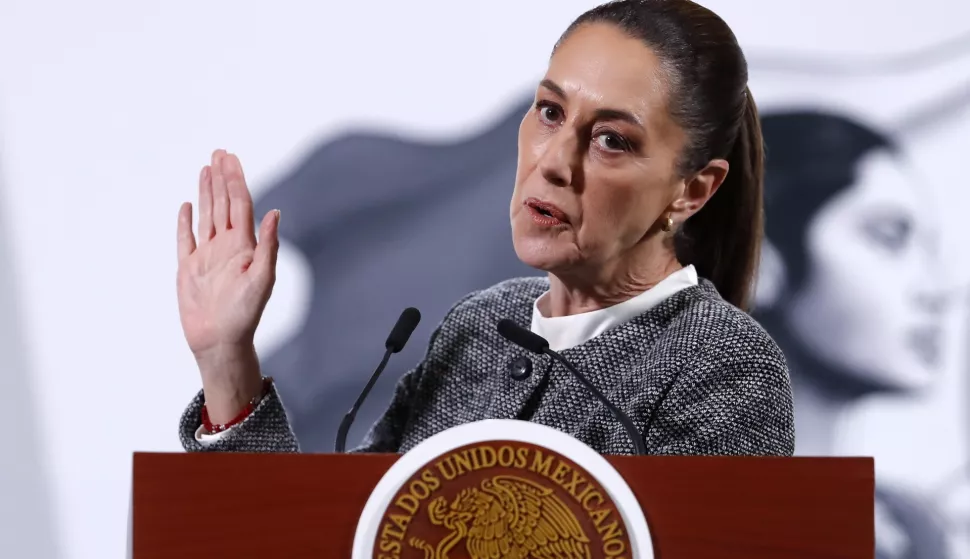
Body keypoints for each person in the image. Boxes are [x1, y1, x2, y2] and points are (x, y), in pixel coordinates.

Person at [174, 0, 795, 456]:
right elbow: (341, 531)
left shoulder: (725, 367)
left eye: (611, 140)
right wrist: (227, 358)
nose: (552, 162)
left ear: (693, 190)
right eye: (549, 112)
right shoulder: (478, 327)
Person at [753, 110, 952, 559]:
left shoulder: (912, 529)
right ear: (757, 259)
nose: (936, 289)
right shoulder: (641, 509)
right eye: (888, 237)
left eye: (930, 250)